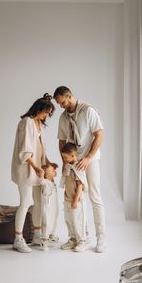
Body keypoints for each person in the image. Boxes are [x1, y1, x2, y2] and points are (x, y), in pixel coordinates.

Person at [53, 86, 106, 253]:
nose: (61, 106)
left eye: (62, 102)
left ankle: (101, 238)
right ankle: (78, 236)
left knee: (94, 196)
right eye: (59, 104)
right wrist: (64, 162)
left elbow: (99, 135)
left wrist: (89, 157)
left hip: (89, 160)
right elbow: (62, 141)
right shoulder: (63, 117)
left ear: (70, 96)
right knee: (73, 201)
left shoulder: (88, 111)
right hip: (73, 161)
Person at [11, 93, 55, 253]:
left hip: (38, 168)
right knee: (25, 202)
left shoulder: (39, 125)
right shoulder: (26, 122)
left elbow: (40, 148)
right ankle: (18, 238)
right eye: (46, 112)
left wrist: (47, 162)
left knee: (38, 201)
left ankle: (37, 235)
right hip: (26, 169)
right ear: (39, 109)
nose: (47, 116)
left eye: (49, 114)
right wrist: (36, 166)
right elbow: (25, 150)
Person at [60, 142, 88, 252]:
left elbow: (80, 185)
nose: (64, 159)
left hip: (77, 200)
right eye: (63, 157)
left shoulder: (78, 167)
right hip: (67, 198)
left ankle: (82, 241)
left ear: (73, 155)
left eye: (65, 157)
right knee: (69, 219)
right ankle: (73, 239)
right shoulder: (67, 167)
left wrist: (76, 200)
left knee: (78, 220)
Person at [37, 164, 59, 251]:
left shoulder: (53, 182)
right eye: (52, 170)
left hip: (54, 206)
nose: (55, 171)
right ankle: (44, 240)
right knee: (46, 222)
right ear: (46, 174)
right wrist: (41, 174)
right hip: (47, 207)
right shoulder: (45, 182)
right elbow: (40, 181)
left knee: (54, 220)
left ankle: (51, 235)